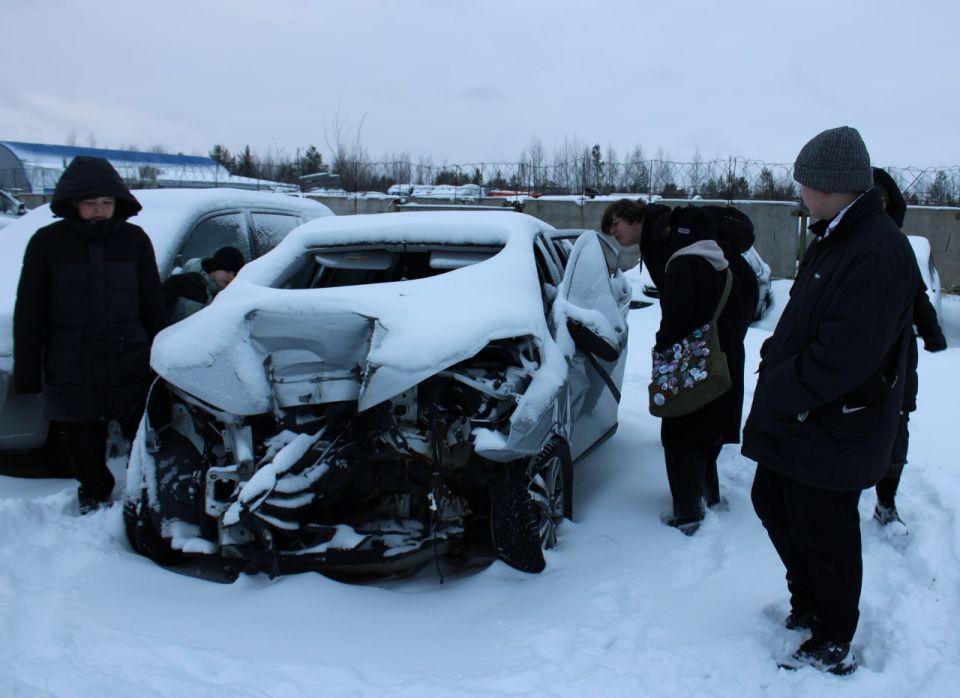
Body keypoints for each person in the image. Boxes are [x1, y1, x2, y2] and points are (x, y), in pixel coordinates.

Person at [743, 127, 919, 674]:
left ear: (831, 185)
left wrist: (781, 385)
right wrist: (777, 353)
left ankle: (833, 633)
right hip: (802, 412)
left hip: (834, 419)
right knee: (773, 501)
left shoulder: (877, 248)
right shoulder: (836, 234)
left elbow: (846, 356)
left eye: (804, 182)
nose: (798, 191)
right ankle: (809, 603)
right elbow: (805, 316)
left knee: (826, 531)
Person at [13, 156, 165, 514]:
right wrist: (27, 370)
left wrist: (161, 357)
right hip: (72, 360)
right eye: (90, 203)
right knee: (82, 438)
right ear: (73, 204)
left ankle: (143, 494)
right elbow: (30, 310)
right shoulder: (47, 243)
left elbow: (152, 303)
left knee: (142, 435)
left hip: (129, 356)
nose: (99, 210)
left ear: (118, 204)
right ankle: (95, 494)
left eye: (106, 203)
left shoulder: (134, 240)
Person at [651, 206, 749, 534]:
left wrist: (662, 351)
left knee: (678, 438)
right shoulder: (723, 263)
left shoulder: (683, 264)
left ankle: (688, 514)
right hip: (720, 360)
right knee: (707, 437)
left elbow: (675, 321)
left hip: (688, 364)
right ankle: (710, 495)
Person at [871, 167, 947, 531]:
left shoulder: (897, 245)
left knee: (896, 429)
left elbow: (916, 292)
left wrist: (931, 331)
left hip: (896, 359)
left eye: (882, 201)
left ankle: (886, 502)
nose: (876, 207)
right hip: (853, 359)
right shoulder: (838, 245)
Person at [163, 245, 245, 324]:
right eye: (227, 271)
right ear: (215, 267)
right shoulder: (185, 283)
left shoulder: (227, 297)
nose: (231, 277)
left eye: (235, 275)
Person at [601, 198, 672, 281]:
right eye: (610, 229)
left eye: (615, 223)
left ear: (631, 215)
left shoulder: (664, 230)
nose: (612, 232)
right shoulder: (647, 240)